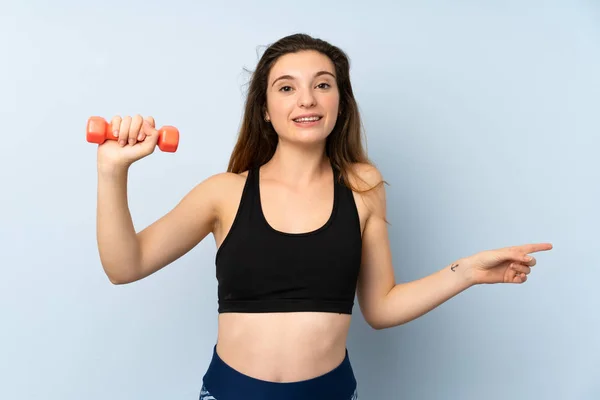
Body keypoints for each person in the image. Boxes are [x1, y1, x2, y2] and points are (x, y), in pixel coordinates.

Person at [95, 33, 553, 400]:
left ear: (340, 101)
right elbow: (124, 266)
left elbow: (381, 307)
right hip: (232, 392)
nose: (307, 99)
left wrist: (467, 272)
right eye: (287, 87)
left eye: (322, 84)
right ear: (266, 111)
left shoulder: (363, 187)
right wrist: (112, 172)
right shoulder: (225, 193)